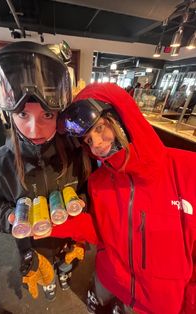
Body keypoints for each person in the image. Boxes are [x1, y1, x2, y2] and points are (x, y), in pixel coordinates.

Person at [57, 82, 196, 314]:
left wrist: (190, 303)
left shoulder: (188, 169)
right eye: (89, 140)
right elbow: (101, 234)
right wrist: (57, 224)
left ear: (121, 116)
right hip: (110, 280)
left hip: (158, 302)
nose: (97, 145)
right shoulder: (98, 182)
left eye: (100, 128)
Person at [0, 41, 97, 301]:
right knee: (44, 276)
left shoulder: (79, 153)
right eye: (22, 115)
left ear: (59, 114)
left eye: (46, 116)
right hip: (31, 245)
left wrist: (80, 208)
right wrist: (10, 218)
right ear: (9, 115)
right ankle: (51, 282)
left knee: (67, 265)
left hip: (69, 239)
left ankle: (64, 274)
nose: (34, 130)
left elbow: (92, 192)